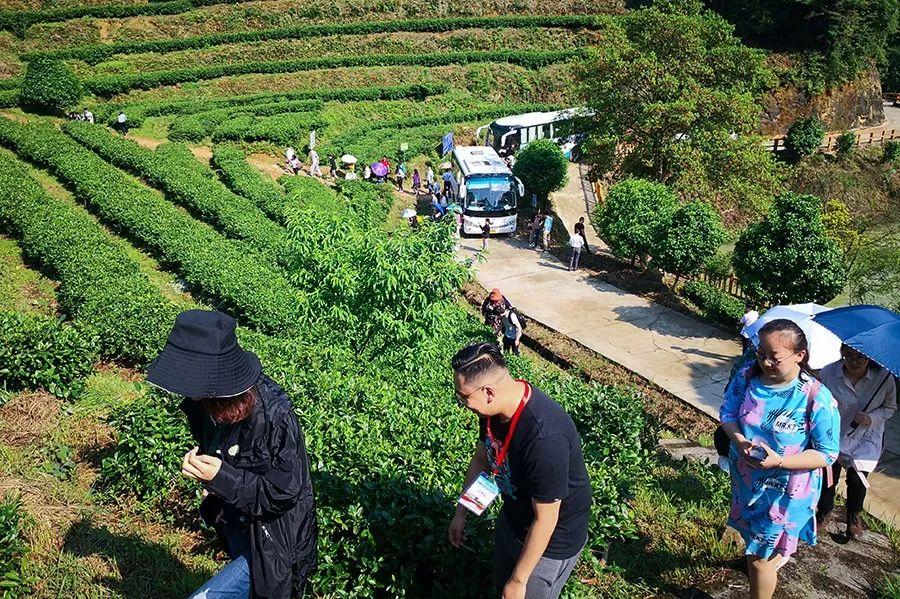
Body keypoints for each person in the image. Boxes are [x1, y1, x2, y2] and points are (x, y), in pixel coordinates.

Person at [146, 310, 317, 599]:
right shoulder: (205, 405)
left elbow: (283, 493)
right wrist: (212, 486)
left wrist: (220, 478)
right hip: (240, 527)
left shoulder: (274, 415)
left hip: (273, 543)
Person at [449, 343, 591, 599]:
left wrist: (518, 579)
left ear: (489, 391)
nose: (463, 403)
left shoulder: (545, 437)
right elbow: (483, 460)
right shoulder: (493, 411)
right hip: (514, 518)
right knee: (500, 586)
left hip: (550, 541)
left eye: (464, 397)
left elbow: (546, 519)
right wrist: (462, 512)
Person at [719, 319, 839, 599]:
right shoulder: (747, 375)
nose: (765, 361)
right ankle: (773, 560)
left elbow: (827, 453)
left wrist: (781, 462)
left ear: (800, 356)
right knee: (754, 546)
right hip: (747, 482)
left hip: (786, 492)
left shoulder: (816, 397)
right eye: (760, 353)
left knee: (760, 559)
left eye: (774, 356)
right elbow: (728, 413)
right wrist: (741, 441)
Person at [817, 345, 896, 538]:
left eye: (861, 357)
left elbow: (890, 407)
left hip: (866, 436)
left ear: (870, 357)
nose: (854, 361)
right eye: (849, 355)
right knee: (828, 475)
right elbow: (817, 399)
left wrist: (871, 418)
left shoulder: (884, 377)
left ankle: (853, 516)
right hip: (834, 431)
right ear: (842, 352)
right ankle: (824, 512)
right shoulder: (828, 372)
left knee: (856, 477)